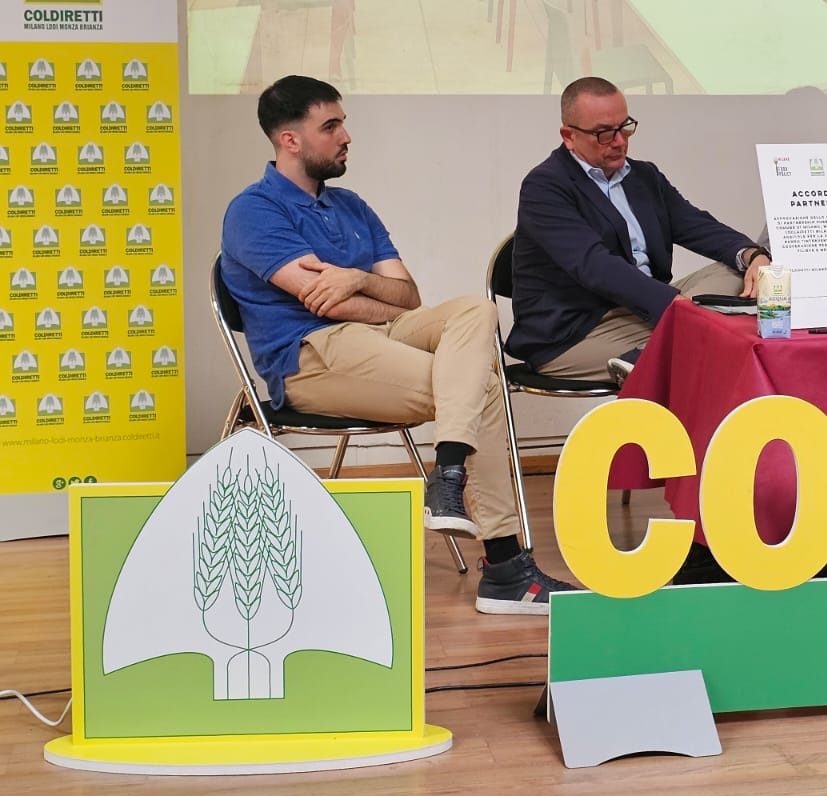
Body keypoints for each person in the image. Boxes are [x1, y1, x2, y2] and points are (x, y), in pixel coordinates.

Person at [221, 75, 571, 616]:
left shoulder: (351, 206)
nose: (346, 137)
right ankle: (503, 565)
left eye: (343, 123)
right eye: (331, 126)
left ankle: (449, 474)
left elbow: (408, 297)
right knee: (481, 388)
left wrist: (356, 280)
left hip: (378, 341)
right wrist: (359, 294)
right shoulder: (254, 210)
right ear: (290, 140)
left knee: (475, 310)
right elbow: (326, 307)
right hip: (311, 355)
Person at [509, 76, 769, 381]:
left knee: (736, 270)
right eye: (604, 133)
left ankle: (656, 350)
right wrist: (674, 305)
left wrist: (753, 255)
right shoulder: (545, 187)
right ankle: (673, 344)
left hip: (642, 312)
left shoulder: (644, 176)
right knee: (713, 345)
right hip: (575, 331)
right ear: (569, 136)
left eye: (625, 127)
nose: (620, 141)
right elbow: (595, 266)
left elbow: (697, 225)